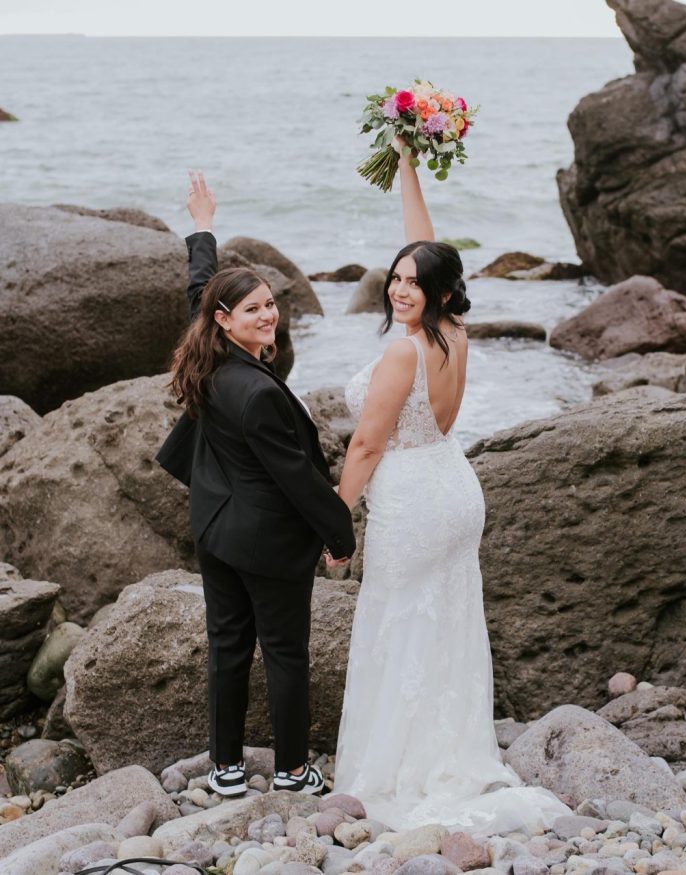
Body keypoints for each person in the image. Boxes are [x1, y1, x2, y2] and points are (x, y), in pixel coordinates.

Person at [330, 143, 569, 833]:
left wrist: (334, 523)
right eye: (395, 277)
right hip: (453, 484)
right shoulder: (454, 328)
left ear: (435, 291)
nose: (399, 288)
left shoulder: (405, 349)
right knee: (447, 625)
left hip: (411, 496)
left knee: (400, 625)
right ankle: (450, 748)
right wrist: (407, 164)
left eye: (411, 281)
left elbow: (368, 444)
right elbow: (428, 242)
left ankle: (396, 770)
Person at [157, 171, 355, 797]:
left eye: (270, 303)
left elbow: (199, 288)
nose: (268, 315)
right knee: (286, 653)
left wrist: (202, 228)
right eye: (254, 309)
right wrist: (339, 532)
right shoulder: (257, 393)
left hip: (215, 530)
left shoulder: (207, 355)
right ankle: (295, 771)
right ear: (227, 321)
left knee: (228, 647)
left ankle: (226, 770)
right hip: (266, 543)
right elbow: (296, 477)